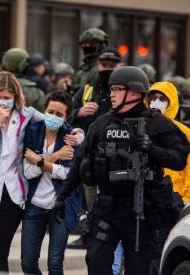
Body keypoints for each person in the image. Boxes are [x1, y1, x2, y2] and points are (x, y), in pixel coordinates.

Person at [53, 66, 190, 274]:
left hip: (141, 211)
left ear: (134, 92)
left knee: (139, 268)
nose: (112, 94)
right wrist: (61, 198)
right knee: (97, 262)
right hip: (107, 208)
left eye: (117, 89)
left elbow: (180, 159)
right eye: (111, 89)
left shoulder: (157, 124)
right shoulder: (101, 125)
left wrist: (151, 149)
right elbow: (81, 163)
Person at [0, 72, 83, 272]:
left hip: (12, 195)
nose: (2, 102)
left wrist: (79, 135)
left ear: (16, 98)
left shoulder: (27, 115)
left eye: (7, 98)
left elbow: (56, 120)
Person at [21, 91, 82, 275]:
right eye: (50, 111)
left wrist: (40, 161)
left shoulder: (71, 137)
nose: (53, 117)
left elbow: (69, 174)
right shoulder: (32, 131)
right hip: (34, 205)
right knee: (28, 263)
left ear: (66, 117)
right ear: (44, 110)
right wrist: (55, 157)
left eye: (59, 114)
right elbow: (28, 172)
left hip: (61, 206)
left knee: (55, 264)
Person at [67, 47, 122, 250]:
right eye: (103, 65)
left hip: (117, 151)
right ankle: (88, 233)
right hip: (91, 150)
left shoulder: (125, 88)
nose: (106, 69)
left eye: (111, 65)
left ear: (120, 66)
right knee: (88, 194)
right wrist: (79, 111)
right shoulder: (89, 88)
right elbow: (67, 111)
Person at [147, 82, 190, 203]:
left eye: (162, 99)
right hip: (148, 196)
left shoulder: (183, 132)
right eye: (153, 98)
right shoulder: (141, 127)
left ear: (171, 102)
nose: (156, 102)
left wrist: (185, 199)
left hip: (174, 195)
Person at [73, 28, 108, 94]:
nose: (87, 46)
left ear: (102, 45)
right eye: (84, 44)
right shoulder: (83, 69)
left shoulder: (105, 67)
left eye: (92, 43)